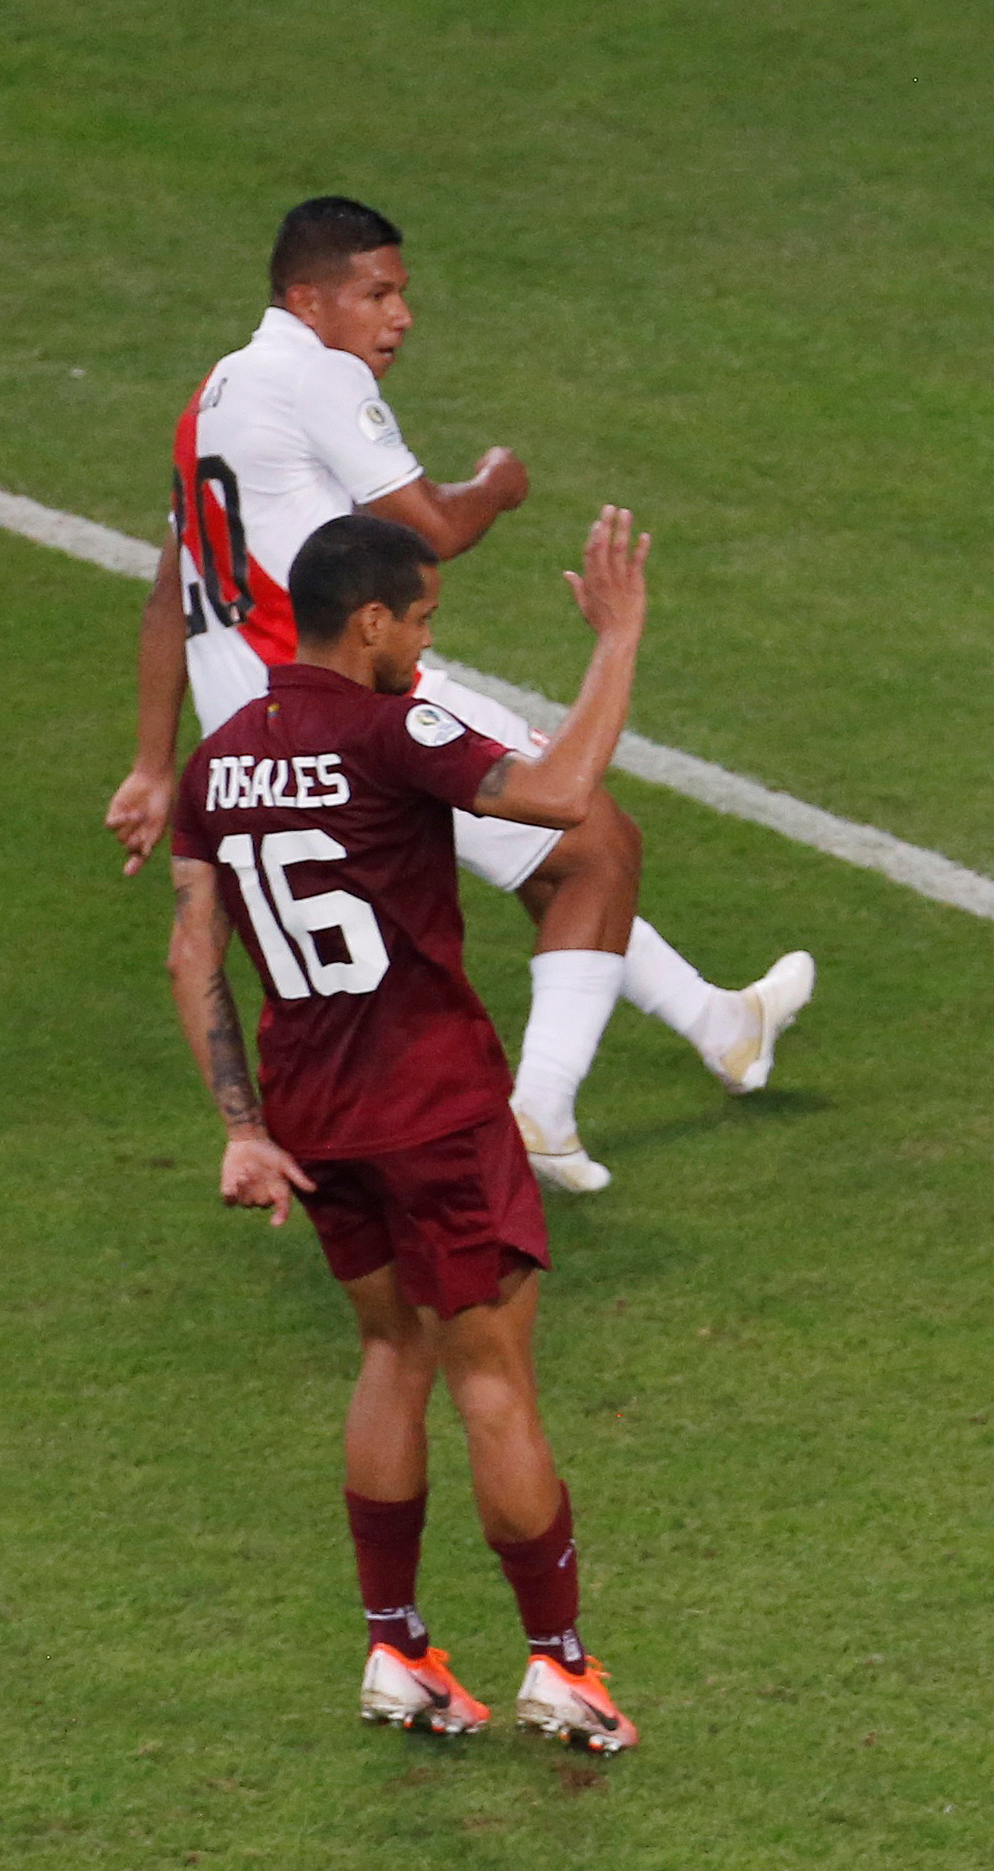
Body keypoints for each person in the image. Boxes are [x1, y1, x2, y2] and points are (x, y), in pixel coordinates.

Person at [109, 194, 812, 1194]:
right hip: (348, 705)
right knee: (597, 844)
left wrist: (149, 763)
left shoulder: (207, 403)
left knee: (542, 862)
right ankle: (543, 1109)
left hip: (248, 743)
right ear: (307, 299)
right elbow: (433, 527)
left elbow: (166, 592)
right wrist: (500, 480)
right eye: (377, 294)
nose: (399, 317)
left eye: (403, 294)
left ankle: (721, 1024)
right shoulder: (314, 375)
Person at [164, 507, 657, 1754]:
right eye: (424, 620)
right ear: (371, 619)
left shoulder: (216, 762)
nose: (428, 644)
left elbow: (193, 950)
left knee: (392, 1354)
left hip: (314, 1116)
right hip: (432, 1111)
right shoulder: (395, 728)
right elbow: (557, 796)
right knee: (492, 1374)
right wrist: (617, 641)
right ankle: (560, 1664)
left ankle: (397, 1647)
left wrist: (239, 1126)